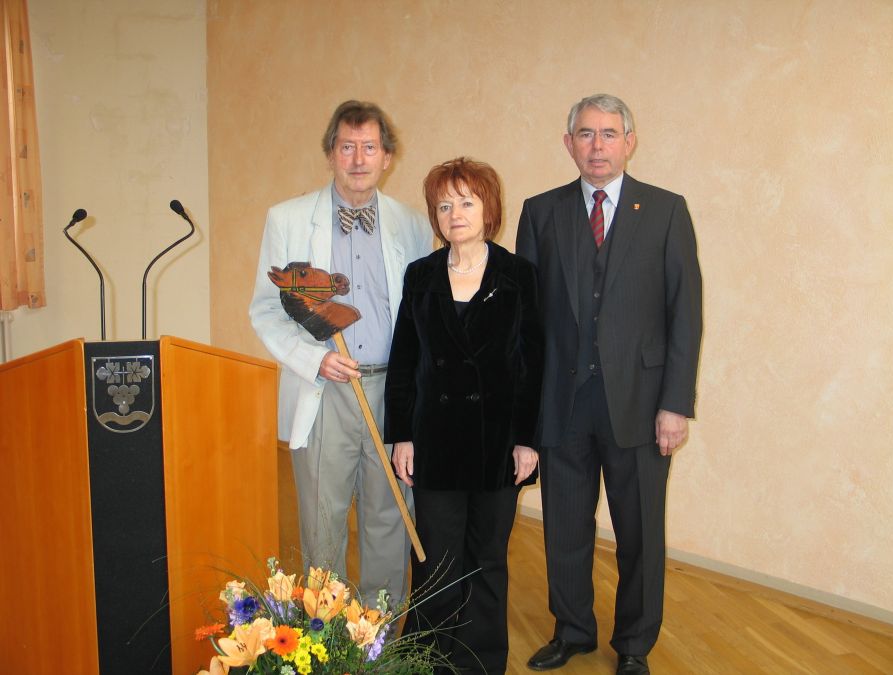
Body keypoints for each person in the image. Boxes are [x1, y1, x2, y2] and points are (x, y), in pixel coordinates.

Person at [516, 94, 702, 674]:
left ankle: (635, 646)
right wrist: (523, 414)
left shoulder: (667, 211)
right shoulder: (541, 212)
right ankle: (572, 630)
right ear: (568, 143)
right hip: (562, 406)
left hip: (642, 410)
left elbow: (685, 314)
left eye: (609, 134)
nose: (598, 146)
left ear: (630, 141)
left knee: (640, 535)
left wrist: (675, 404)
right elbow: (525, 324)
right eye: (587, 134)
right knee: (564, 530)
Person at [249, 100, 432, 606]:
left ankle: (379, 643)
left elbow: (422, 320)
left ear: (387, 156)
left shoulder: (412, 226)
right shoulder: (286, 219)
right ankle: (328, 641)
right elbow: (266, 311)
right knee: (323, 520)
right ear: (330, 153)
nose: (358, 159)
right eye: (347, 147)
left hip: (391, 392)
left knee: (389, 519)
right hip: (324, 389)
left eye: (369, 147)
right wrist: (314, 358)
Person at [384, 157, 543, 674]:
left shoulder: (518, 275)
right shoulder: (421, 275)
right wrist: (401, 434)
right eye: (444, 204)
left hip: (498, 444)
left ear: (488, 208)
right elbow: (405, 359)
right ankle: (425, 663)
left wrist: (528, 440)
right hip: (435, 442)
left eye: (466, 202)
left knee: (488, 561)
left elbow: (531, 365)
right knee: (434, 562)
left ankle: (480, 664)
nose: (455, 213)